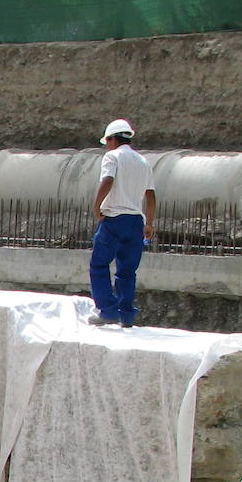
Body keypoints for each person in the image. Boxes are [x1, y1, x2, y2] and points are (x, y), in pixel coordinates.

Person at [89, 119, 156, 328]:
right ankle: (127, 316)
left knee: (99, 265)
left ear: (111, 139)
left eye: (107, 141)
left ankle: (108, 311)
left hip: (114, 220)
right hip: (136, 222)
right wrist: (149, 223)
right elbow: (151, 195)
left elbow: (108, 180)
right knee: (127, 271)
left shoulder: (112, 156)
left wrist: (97, 205)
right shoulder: (143, 162)